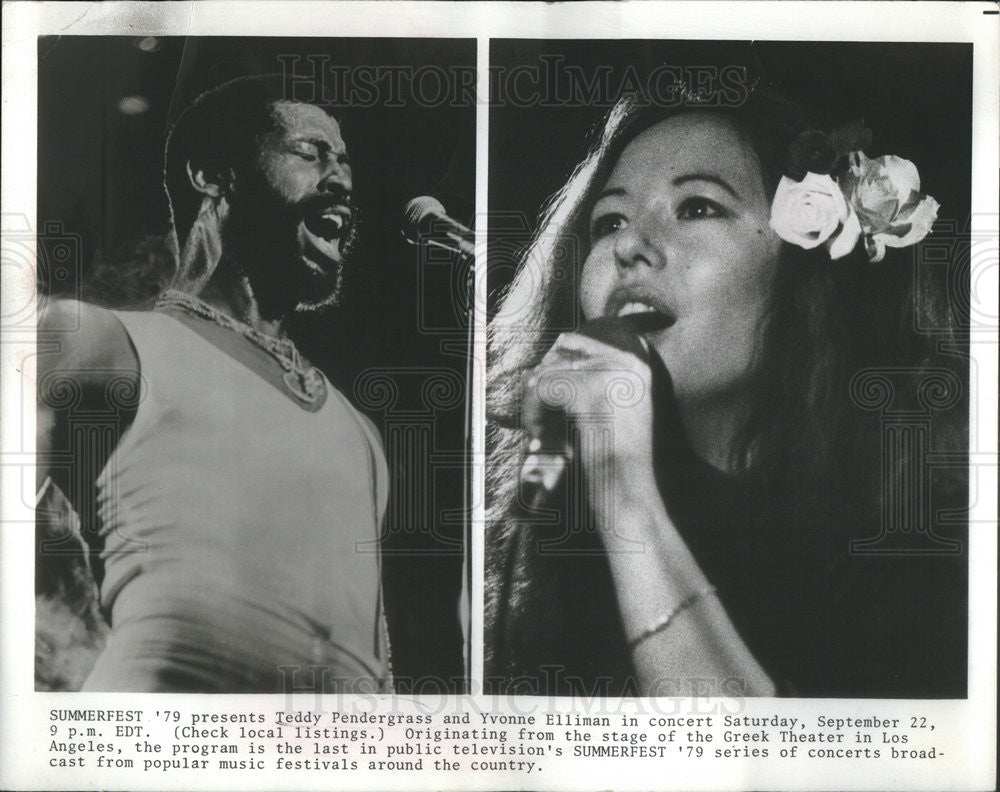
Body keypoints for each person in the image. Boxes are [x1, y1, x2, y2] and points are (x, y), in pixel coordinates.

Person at [485, 85, 967, 698]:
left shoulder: (924, 533)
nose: (630, 246)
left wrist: (626, 496)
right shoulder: (558, 531)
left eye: (697, 208)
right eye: (610, 220)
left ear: (806, 270)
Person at [36, 75, 392, 692]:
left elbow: (378, 656)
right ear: (214, 176)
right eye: (310, 154)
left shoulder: (360, 431)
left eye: (345, 161)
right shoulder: (101, 340)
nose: (342, 180)